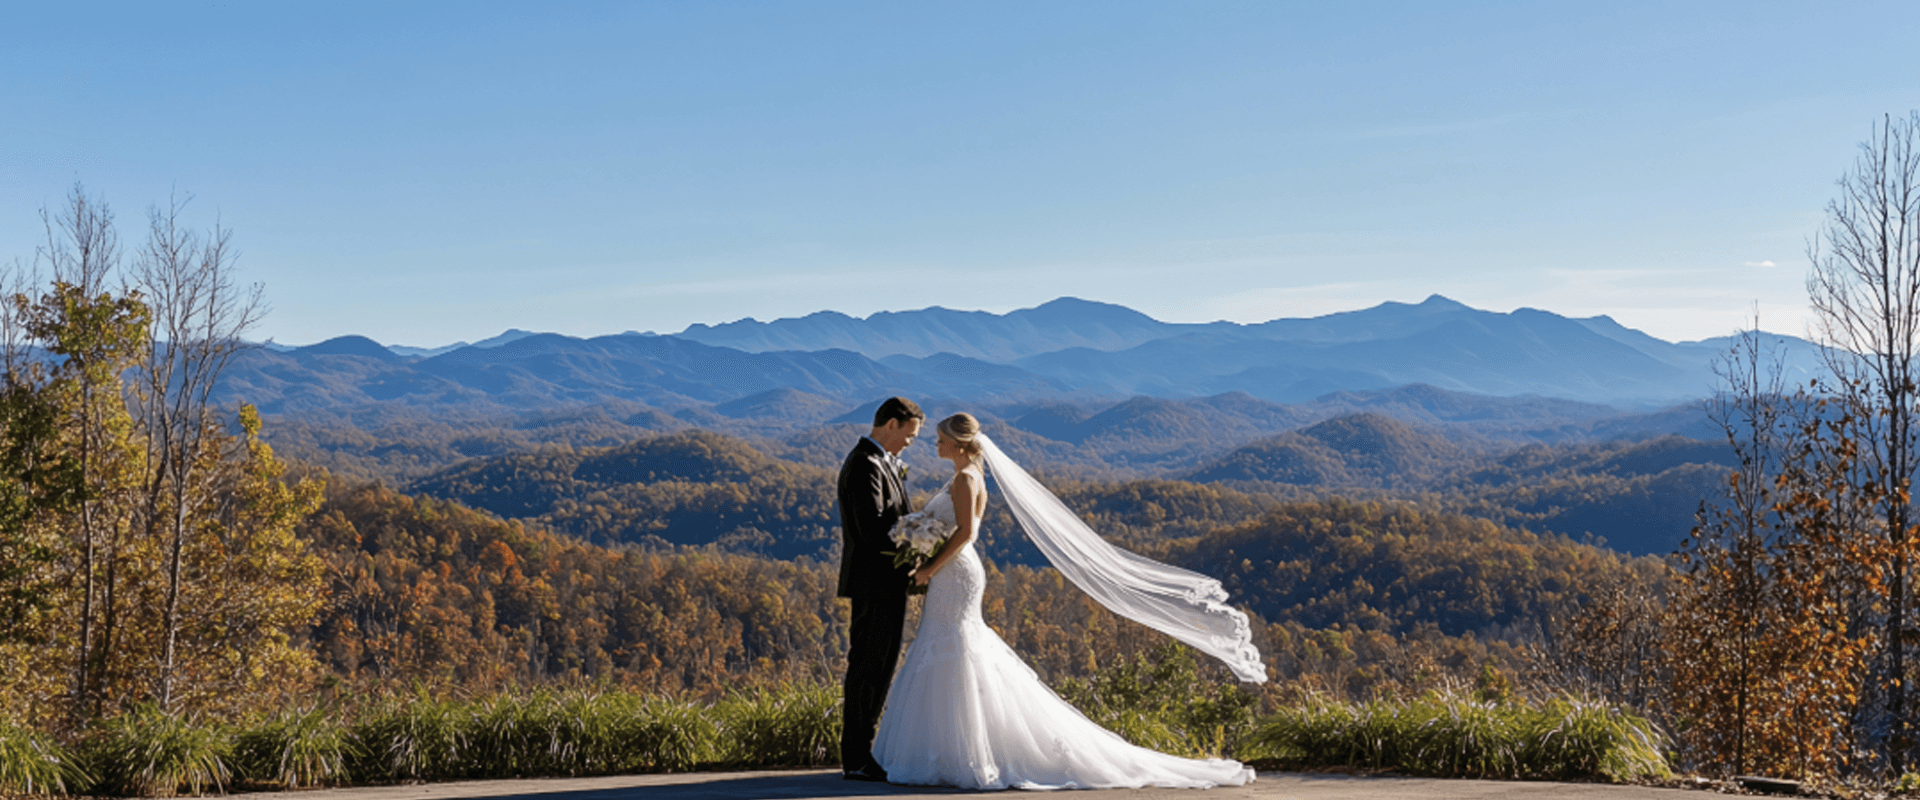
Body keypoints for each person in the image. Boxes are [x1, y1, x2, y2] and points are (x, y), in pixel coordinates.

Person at [872, 412, 1261, 790]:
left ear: (958, 445)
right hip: (953, 572)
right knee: (950, 646)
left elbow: (966, 535)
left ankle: (958, 753)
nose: (936, 444)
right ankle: (949, 749)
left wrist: (929, 567)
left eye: (941, 439)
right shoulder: (968, 476)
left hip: (954, 572)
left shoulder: (964, 480)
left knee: (954, 645)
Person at [836, 396, 925, 782]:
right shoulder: (863, 466)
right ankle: (856, 756)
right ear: (891, 424)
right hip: (874, 583)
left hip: (888, 583)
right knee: (867, 669)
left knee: (881, 667)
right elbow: (871, 533)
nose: (910, 443)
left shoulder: (882, 463)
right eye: (909, 434)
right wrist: (916, 553)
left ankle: (866, 751)